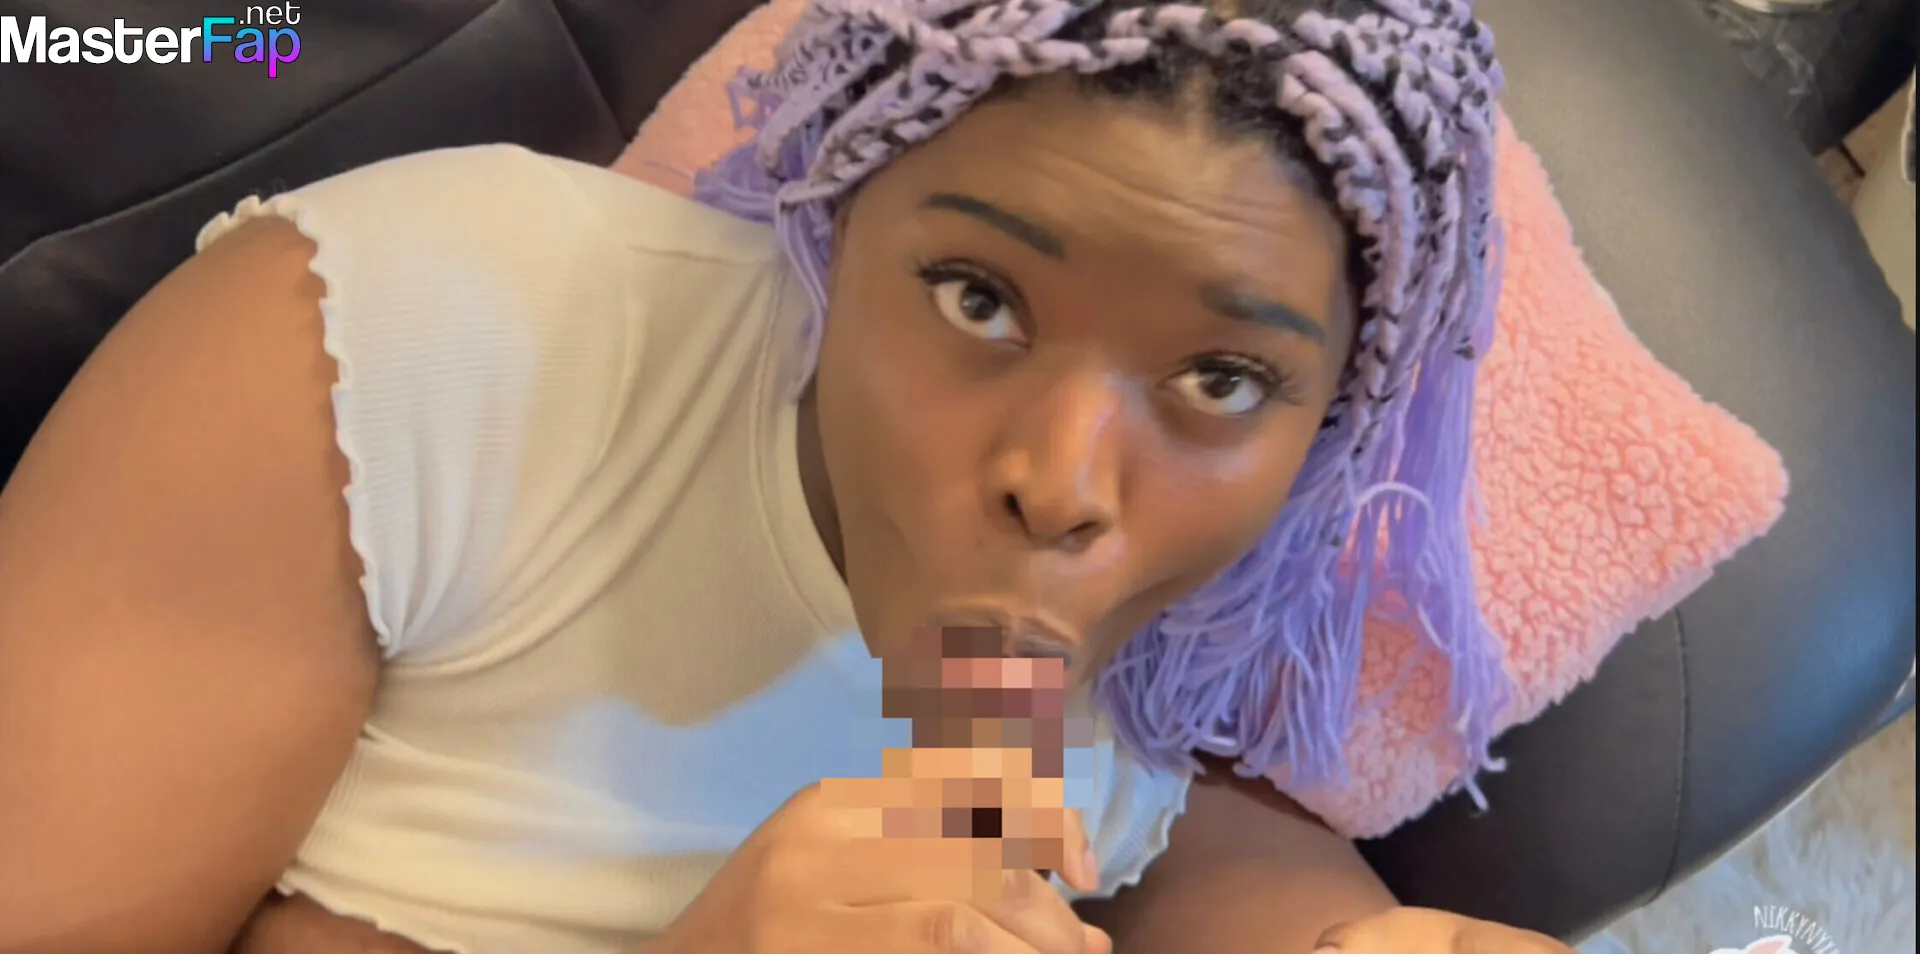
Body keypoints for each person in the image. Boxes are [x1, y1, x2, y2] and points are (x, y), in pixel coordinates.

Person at [0, 1, 1572, 952]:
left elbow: (1173, 830)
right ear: (837, 202)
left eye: (1219, 381)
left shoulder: (1183, 628)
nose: (1061, 482)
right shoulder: (406, 345)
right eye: (978, 297)